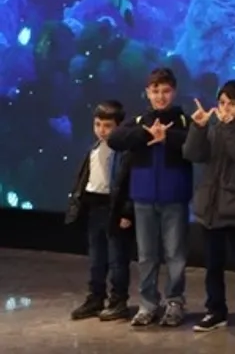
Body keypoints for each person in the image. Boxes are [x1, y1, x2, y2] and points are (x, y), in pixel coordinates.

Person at [107, 66, 193, 328]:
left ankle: (175, 301)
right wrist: (146, 133)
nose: (160, 96)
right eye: (155, 91)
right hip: (143, 198)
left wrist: (167, 137)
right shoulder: (139, 121)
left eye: (165, 91)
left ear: (173, 92)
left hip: (175, 198)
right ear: (147, 93)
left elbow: (196, 146)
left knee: (175, 254)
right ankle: (148, 304)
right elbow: (115, 139)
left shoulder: (183, 121)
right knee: (146, 255)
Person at [184, 80, 235, 332]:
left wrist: (229, 128)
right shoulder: (215, 129)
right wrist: (199, 128)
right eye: (222, 103)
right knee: (213, 265)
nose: (225, 109)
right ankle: (215, 310)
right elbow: (193, 154)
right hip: (212, 207)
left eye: (232, 104)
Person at [67, 100, 133, 322]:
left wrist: (126, 212)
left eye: (107, 126)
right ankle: (95, 297)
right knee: (96, 258)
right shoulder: (93, 149)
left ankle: (118, 301)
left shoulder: (124, 152)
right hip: (94, 208)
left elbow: (128, 184)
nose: (102, 130)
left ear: (119, 127)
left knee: (117, 258)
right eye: (98, 125)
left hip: (113, 208)